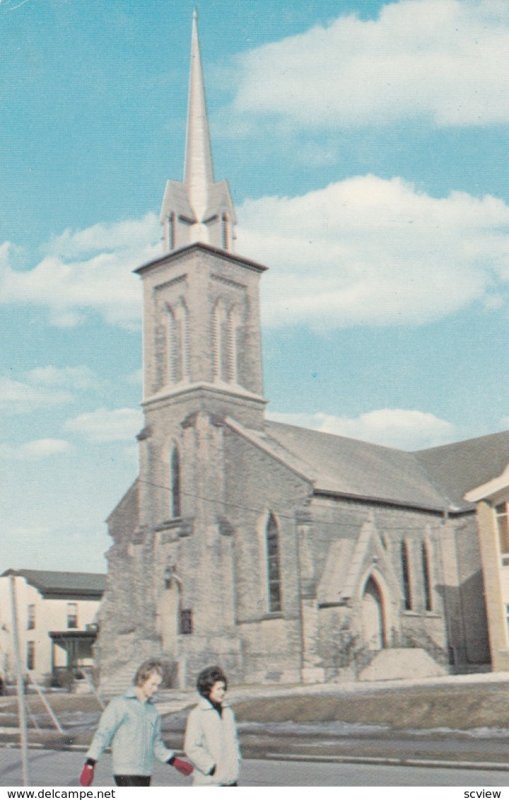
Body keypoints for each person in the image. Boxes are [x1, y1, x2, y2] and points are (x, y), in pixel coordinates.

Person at [79, 658, 193, 787]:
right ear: (142, 680)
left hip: (145, 772)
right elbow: (103, 735)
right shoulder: (120, 704)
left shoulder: (152, 711)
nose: (156, 689)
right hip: (125, 772)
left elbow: (156, 744)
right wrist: (90, 764)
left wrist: (174, 761)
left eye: (158, 685)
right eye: (153, 684)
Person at [184, 665, 241, 786]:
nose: (223, 693)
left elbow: (233, 742)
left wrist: (236, 762)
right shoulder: (198, 714)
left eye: (224, 689)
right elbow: (191, 747)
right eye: (219, 689)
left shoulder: (228, 712)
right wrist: (210, 767)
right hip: (209, 782)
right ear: (208, 689)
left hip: (230, 780)